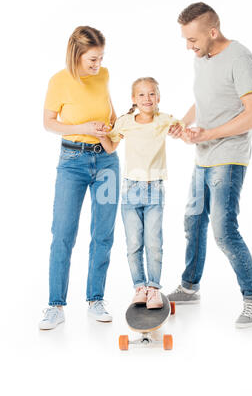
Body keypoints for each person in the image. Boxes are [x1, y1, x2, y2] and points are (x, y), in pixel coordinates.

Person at [168, 2, 252, 328]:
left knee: (224, 231)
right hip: (204, 155)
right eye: (185, 40)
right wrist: (184, 123)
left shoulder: (239, 58)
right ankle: (190, 287)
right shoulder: (203, 57)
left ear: (213, 32)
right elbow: (207, 97)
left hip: (229, 156)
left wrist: (209, 133)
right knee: (193, 221)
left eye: (192, 40)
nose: (188, 47)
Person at [39, 26, 120, 330]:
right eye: (92, 60)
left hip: (107, 161)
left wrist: (113, 127)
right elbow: (48, 122)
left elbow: (110, 113)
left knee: (103, 233)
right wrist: (86, 127)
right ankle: (55, 305)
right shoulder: (59, 81)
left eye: (100, 58)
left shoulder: (104, 75)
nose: (97, 64)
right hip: (72, 161)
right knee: (63, 233)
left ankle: (95, 298)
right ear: (76, 54)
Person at [97, 77, 183, 309]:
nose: (147, 99)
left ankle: (154, 288)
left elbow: (182, 129)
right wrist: (101, 134)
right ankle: (140, 287)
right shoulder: (125, 122)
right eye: (142, 95)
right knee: (134, 242)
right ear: (134, 99)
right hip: (130, 190)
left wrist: (180, 129)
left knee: (153, 242)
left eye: (152, 94)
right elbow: (111, 146)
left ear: (158, 98)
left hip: (155, 188)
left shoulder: (164, 120)